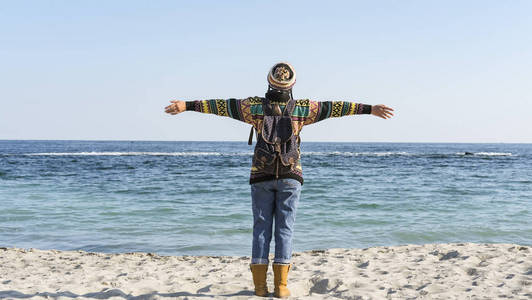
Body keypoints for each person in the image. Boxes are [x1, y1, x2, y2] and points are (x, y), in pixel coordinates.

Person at [164, 62, 394, 298]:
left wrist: (187, 105)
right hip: (291, 175)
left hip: (260, 174)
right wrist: (369, 109)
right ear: (292, 84)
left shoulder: (252, 106)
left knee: (261, 230)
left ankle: (260, 287)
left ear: (269, 81)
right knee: (285, 229)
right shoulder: (304, 109)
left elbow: (221, 106)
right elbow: (335, 108)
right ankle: (282, 287)